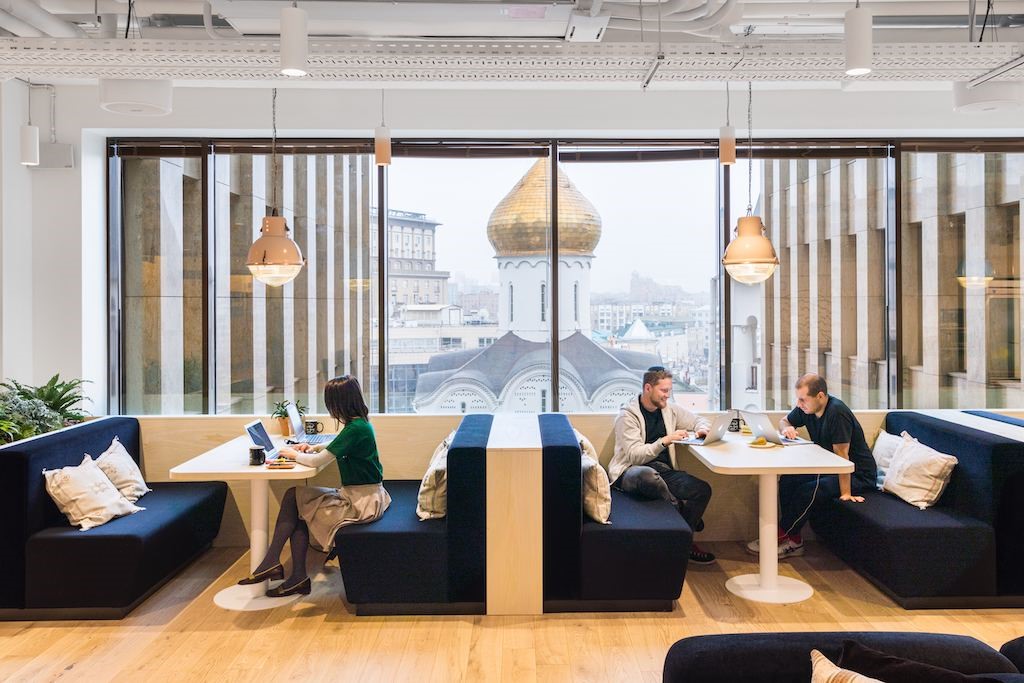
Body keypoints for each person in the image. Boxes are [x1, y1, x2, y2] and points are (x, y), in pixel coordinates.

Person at [238, 375, 391, 597]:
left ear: (339, 403)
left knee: (295, 499)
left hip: (361, 505)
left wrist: (291, 453)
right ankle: (288, 571)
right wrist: (312, 447)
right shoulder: (360, 423)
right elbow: (337, 445)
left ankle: (278, 565)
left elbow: (317, 463)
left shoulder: (355, 429)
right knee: (297, 501)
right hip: (365, 496)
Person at [747, 373, 876, 560]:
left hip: (857, 474)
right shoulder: (807, 409)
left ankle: (780, 535)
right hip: (829, 468)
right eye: (798, 399)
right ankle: (794, 540)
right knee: (788, 480)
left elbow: (843, 457)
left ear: (820, 396)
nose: (799, 404)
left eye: (802, 399)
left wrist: (846, 494)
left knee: (809, 490)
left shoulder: (837, 413)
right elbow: (784, 421)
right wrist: (786, 428)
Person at [611, 366, 717, 565]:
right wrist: (665, 441)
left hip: (664, 471)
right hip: (630, 471)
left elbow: (698, 420)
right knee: (648, 476)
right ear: (648, 388)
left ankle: (683, 544)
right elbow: (635, 456)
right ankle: (678, 508)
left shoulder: (669, 409)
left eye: (669, 390)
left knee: (702, 490)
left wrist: (702, 429)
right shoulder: (627, 415)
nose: (667, 395)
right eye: (664, 390)